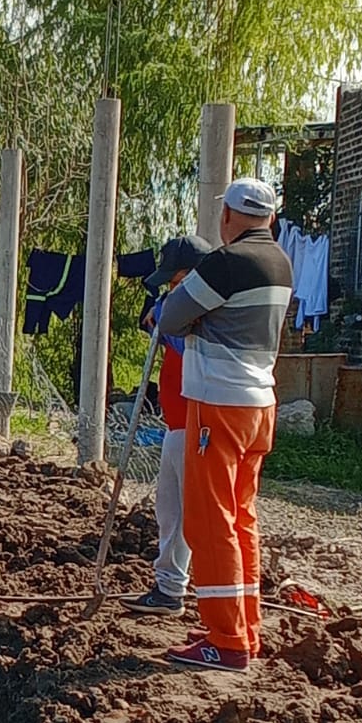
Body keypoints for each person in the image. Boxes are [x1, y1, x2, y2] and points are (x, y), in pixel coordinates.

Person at [157, 178, 293, 671]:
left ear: (229, 216)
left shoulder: (225, 263)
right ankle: (244, 628)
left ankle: (226, 640)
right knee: (240, 517)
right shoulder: (280, 262)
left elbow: (170, 316)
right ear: (270, 218)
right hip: (260, 405)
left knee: (210, 520)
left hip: (219, 403)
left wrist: (196, 320)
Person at [123, 234, 211, 617]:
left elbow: (190, 345)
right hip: (177, 421)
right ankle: (169, 587)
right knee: (170, 510)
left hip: (196, 422)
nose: (171, 291)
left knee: (190, 514)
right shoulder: (182, 306)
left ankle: (199, 590)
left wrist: (164, 317)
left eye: (176, 283)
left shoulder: (208, 307)